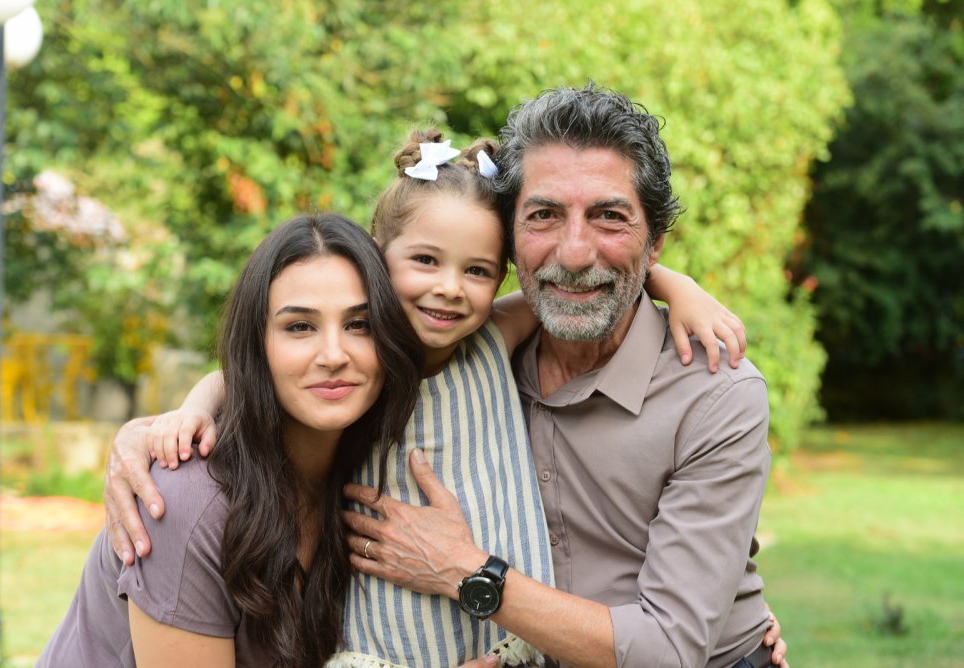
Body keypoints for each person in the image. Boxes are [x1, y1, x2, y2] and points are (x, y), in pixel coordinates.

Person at [102, 127, 761, 666]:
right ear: (376, 257)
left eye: (477, 271)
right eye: (425, 261)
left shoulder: (491, 339)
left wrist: (674, 285)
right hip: (382, 649)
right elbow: (264, 371)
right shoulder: (365, 364)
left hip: (505, 647)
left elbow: (578, 278)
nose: (449, 288)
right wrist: (188, 411)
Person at [340, 85, 787, 668]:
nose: (574, 253)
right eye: (545, 216)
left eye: (609, 217)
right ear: (511, 240)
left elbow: (667, 649)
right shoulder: (471, 352)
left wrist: (464, 570)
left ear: (655, 243)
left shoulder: (716, 394)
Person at [38, 214, 424, 667]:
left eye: (359, 324)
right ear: (257, 343)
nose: (334, 355)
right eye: (299, 327)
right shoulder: (188, 501)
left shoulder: (368, 470)